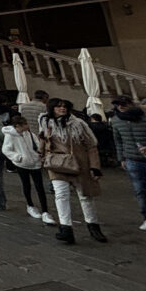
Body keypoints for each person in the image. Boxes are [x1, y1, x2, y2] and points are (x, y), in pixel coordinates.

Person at [39, 99, 106, 244]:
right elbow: (43, 142)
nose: (62, 109)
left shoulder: (78, 124)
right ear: (52, 108)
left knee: (85, 196)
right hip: (57, 164)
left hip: (79, 164)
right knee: (61, 195)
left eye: (64, 107)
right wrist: (42, 156)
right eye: (58, 106)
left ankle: (93, 226)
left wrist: (95, 167)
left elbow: (91, 145)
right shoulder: (45, 123)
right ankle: (66, 228)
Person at [110, 96, 146, 231]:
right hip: (133, 160)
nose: (120, 107)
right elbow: (118, 141)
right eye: (117, 104)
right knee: (140, 191)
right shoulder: (116, 121)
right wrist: (122, 159)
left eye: (123, 104)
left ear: (131, 104)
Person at [2, 114, 55, 224]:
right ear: (17, 126)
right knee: (26, 185)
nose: (27, 126)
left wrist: (39, 155)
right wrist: (18, 157)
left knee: (39, 186)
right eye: (25, 124)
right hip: (22, 164)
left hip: (35, 163)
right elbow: (6, 150)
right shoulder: (10, 135)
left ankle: (45, 211)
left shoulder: (29, 133)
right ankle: (30, 205)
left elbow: (37, 143)